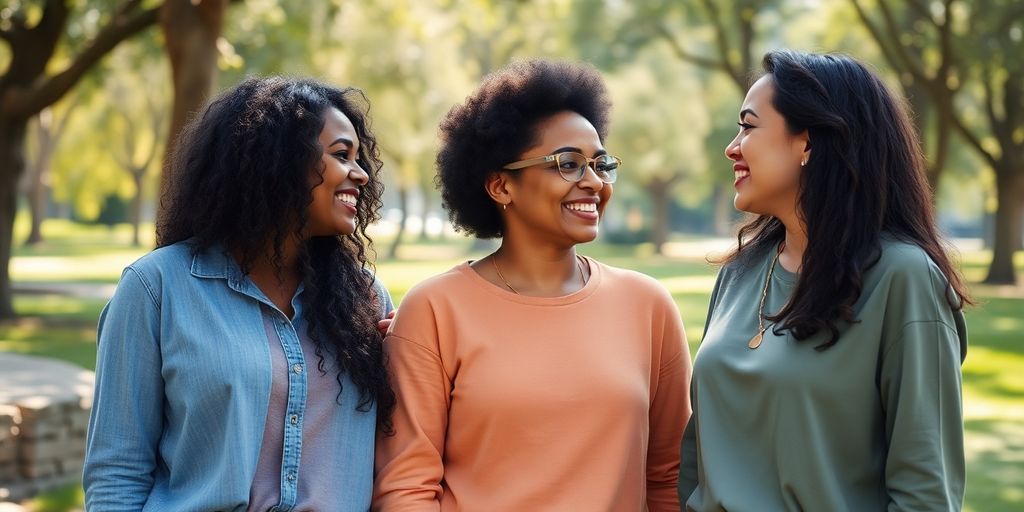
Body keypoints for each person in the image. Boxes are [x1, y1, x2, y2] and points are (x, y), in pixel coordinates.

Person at [372, 59, 691, 511]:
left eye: (601, 164)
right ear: (501, 186)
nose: (594, 182)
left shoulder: (648, 305)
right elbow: (406, 490)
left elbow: (667, 477)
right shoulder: (435, 309)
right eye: (568, 164)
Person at [83, 77, 394, 511]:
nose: (360, 175)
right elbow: (117, 471)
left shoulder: (368, 300)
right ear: (279, 160)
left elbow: (399, 459)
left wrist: (412, 352)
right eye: (342, 155)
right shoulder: (157, 288)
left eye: (359, 159)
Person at [679, 49, 971, 511]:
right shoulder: (738, 274)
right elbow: (698, 456)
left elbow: (925, 493)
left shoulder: (903, 279)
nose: (732, 147)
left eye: (749, 126)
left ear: (808, 142)